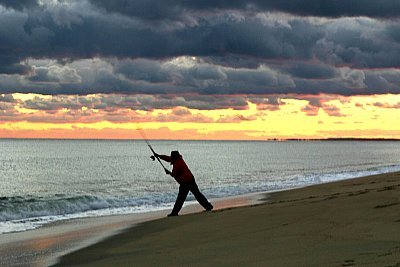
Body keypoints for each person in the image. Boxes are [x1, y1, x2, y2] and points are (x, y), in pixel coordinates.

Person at [152, 150, 213, 216]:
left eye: (172, 157)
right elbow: (168, 158)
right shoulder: (178, 159)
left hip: (186, 182)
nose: (171, 158)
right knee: (197, 194)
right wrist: (159, 156)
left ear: (175, 156)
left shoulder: (178, 163)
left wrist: (168, 172)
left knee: (181, 198)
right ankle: (208, 206)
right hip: (190, 179)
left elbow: (174, 174)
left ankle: (174, 212)